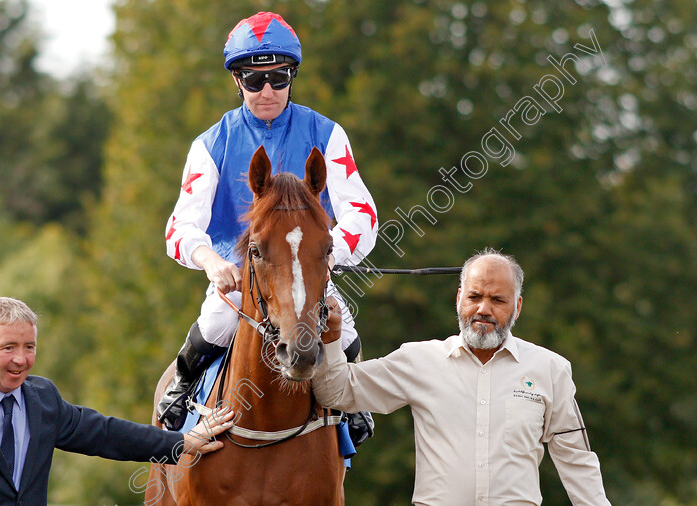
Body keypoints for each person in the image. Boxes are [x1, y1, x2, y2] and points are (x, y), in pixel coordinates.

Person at [159, 10, 379, 445]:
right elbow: (180, 226)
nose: (267, 91)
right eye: (254, 79)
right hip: (245, 273)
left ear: (291, 76)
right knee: (220, 316)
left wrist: (331, 252)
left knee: (344, 325)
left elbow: (363, 213)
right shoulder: (211, 143)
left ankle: (356, 408)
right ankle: (180, 388)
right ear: (236, 80)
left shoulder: (328, 134)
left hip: (309, 270)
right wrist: (211, 263)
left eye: (278, 78)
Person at [313, 249, 611, 504]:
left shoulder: (550, 369)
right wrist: (331, 337)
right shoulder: (419, 360)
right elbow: (336, 393)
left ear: (517, 306)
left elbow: (577, 461)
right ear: (459, 299)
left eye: (498, 299)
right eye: (474, 296)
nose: (484, 309)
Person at [0, 297, 234, 505]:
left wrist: (182, 442)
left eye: (29, 347)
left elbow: (106, 434)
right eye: (8, 347)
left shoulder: (42, 398)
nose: (21, 359)